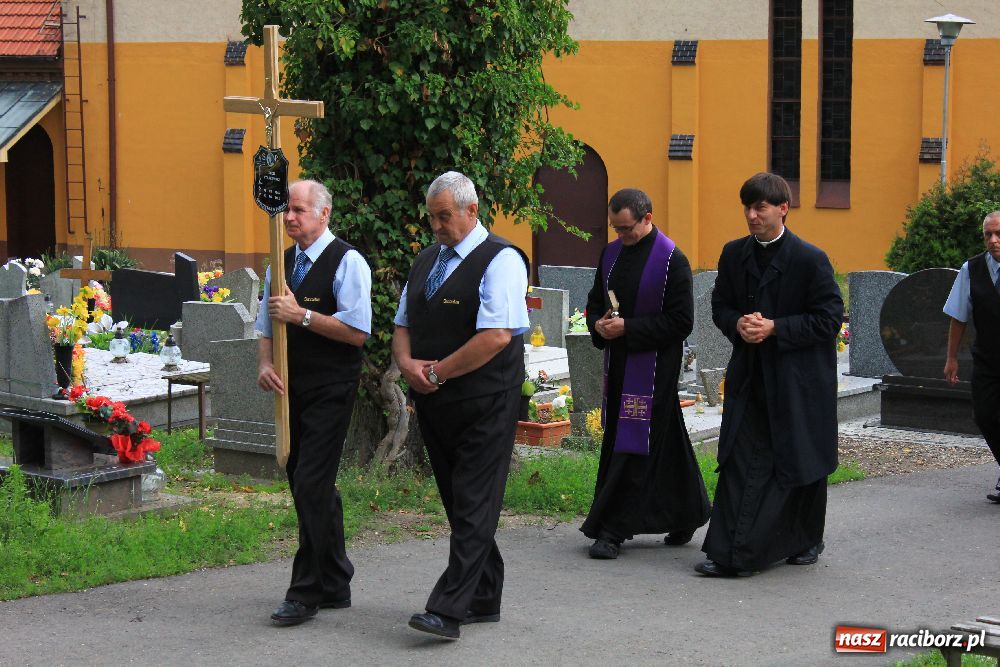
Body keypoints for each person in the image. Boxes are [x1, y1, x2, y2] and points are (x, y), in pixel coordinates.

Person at [392, 171, 529, 640]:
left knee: (473, 498)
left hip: (485, 399)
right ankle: (484, 594)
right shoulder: (427, 260)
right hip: (435, 400)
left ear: (472, 210)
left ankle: (447, 609)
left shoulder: (502, 260)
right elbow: (403, 321)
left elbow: (495, 336)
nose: (435, 225)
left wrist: (435, 372)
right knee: (459, 500)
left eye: (444, 216)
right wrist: (407, 364)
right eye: (430, 217)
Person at [696, 172, 843, 577]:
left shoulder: (810, 259)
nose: (751, 215)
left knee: (802, 458)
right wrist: (738, 325)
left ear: (783, 209)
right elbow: (721, 305)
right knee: (741, 457)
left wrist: (776, 328)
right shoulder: (733, 254)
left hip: (798, 380)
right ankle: (729, 550)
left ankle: (807, 538)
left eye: (760, 207)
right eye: (747, 207)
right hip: (751, 376)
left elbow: (829, 319)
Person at [255, 179, 372, 624]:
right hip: (291, 388)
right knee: (305, 481)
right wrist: (265, 364)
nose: (289, 217)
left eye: (299, 210)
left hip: (331, 388)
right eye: (287, 210)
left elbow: (357, 332)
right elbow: (267, 324)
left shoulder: (348, 262)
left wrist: (302, 315)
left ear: (323, 214)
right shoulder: (280, 264)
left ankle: (305, 592)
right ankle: (336, 579)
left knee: (310, 482)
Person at [580, 188, 711, 559]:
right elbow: (594, 304)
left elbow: (680, 322)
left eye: (627, 228)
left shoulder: (672, 261)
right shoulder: (611, 254)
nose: (621, 235)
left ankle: (612, 529)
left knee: (632, 443)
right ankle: (688, 511)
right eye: (615, 228)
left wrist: (630, 329)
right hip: (620, 363)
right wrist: (599, 325)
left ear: (647, 218)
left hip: (654, 369)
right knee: (665, 440)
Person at [943, 211, 1000, 503]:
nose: (993, 240)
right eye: (988, 235)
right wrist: (951, 358)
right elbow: (958, 317)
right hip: (989, 358)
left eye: (998, 234)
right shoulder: (972, 269)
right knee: (985, 415)